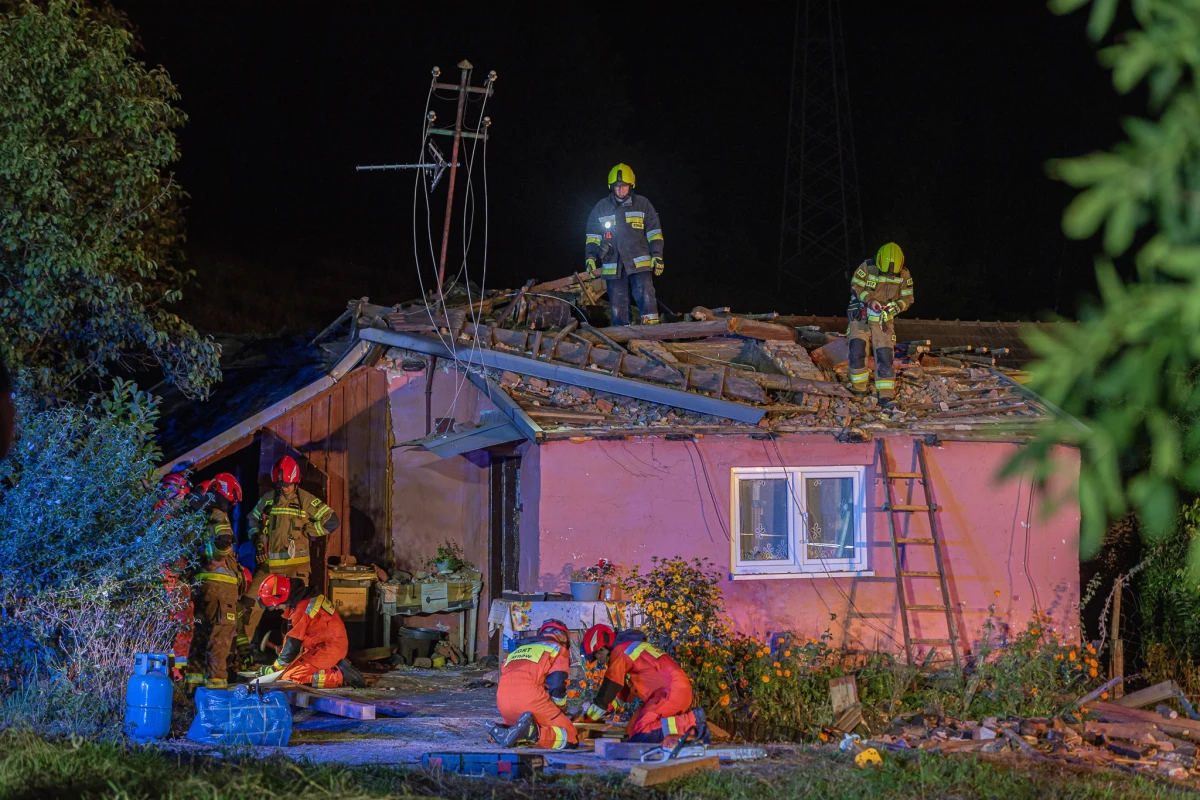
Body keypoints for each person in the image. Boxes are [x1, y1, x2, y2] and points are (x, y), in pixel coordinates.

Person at [241, 456, 339, 656]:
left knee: (297, 613)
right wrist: (258, 538)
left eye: (287, 485)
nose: (283, 488)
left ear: (296, 481)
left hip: (296, 568)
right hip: (268, 567)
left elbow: (332, 520)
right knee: (249, 605)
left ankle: (292, 656)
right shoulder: (268, 499)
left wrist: (309, 530)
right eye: (280, 484)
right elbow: (252, 520)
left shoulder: (306, 500)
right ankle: (241, 653)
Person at [578, 624, 707, 744]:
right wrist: (607, 709)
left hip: (669, 692)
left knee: (642, 731)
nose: (599, 659)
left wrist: (588, 717)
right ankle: (687, 730)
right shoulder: (629, 648)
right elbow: (622, 693)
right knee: (632, 732)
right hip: (671, 691)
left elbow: (609, 688)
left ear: (602, 647)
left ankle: (693, 722)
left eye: (596, 655)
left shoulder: (619, 652)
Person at [185, 473, 249, 692]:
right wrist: (220, 557)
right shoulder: (219, 515)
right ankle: (215, 692)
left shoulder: (199, 517)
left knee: (200, 637)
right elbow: (223, 540)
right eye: (232, 501)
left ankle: (193, 689)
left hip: (201, 585)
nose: (231, 505)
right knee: (221, 636)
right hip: (221, 588)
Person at [584, 163, 665, 327]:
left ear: (631, 186)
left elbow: (654, 232)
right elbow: (592, 236)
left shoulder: (643, 204)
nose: (620, 190)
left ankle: (653, 333)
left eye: (624, 186)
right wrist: (590, 258)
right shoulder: (601, 207)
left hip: (639, 262)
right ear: (611, 187)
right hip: (613, 264)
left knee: (646, 296)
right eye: (617, 186)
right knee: (617, 304)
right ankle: (622, 340)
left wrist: (657, 256)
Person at [254, 573, 363, 688]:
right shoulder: (303, 596)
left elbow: (293, 645)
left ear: (281, 597)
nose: (275, 608)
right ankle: (333, 667)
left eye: (273, 606)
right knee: (285, 672)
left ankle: (341, 677)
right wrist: (282, 659)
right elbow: (291, 637)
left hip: (328, 649)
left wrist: (274, 668)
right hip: (323, 646)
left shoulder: (301, 610)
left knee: (291, 677)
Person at [487, 619, 578, 750]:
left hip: (503, 704)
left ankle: (506, 730)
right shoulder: (559, 649)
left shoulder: (520, 649)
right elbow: (557, 684)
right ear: (564, 638)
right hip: (530, 701)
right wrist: (560, 708)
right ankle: (534, 735)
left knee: (520, 726)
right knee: (571, 736)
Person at [847, 242, 914, 407]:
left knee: (885, 356)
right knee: (857, 350)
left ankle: (885, 395)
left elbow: (908, 298)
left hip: (884, 320)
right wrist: (870, 301)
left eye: (894, 272)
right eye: (886, 271)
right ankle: (859, 390)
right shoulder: (867, 268)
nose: (890, 274)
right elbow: (855, 285)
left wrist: (896, 306)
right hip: (861, 316)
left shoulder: (904, 275)